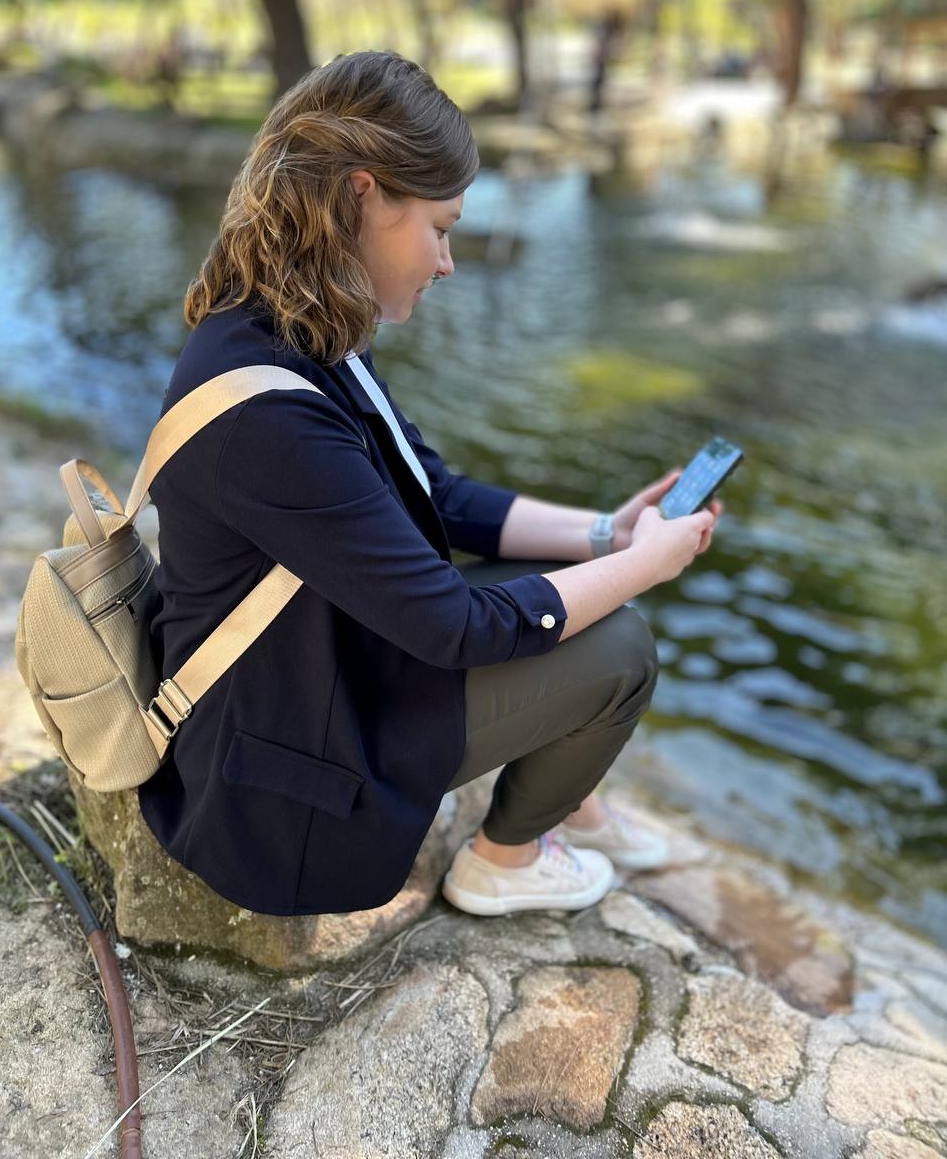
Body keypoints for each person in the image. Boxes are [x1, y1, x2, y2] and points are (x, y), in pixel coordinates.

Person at [138, 49, 720, 921]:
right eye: (439, 227)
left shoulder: (291, 323)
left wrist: (608, 532)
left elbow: (434, 493)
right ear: (362, 196)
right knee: (619, 648)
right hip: (275, 797)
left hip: (304, 676)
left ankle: (571, 799)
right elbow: (451, 628)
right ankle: (505, 857)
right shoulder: (268, 409)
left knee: (559, 596)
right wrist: (648, 566)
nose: (447, 261)